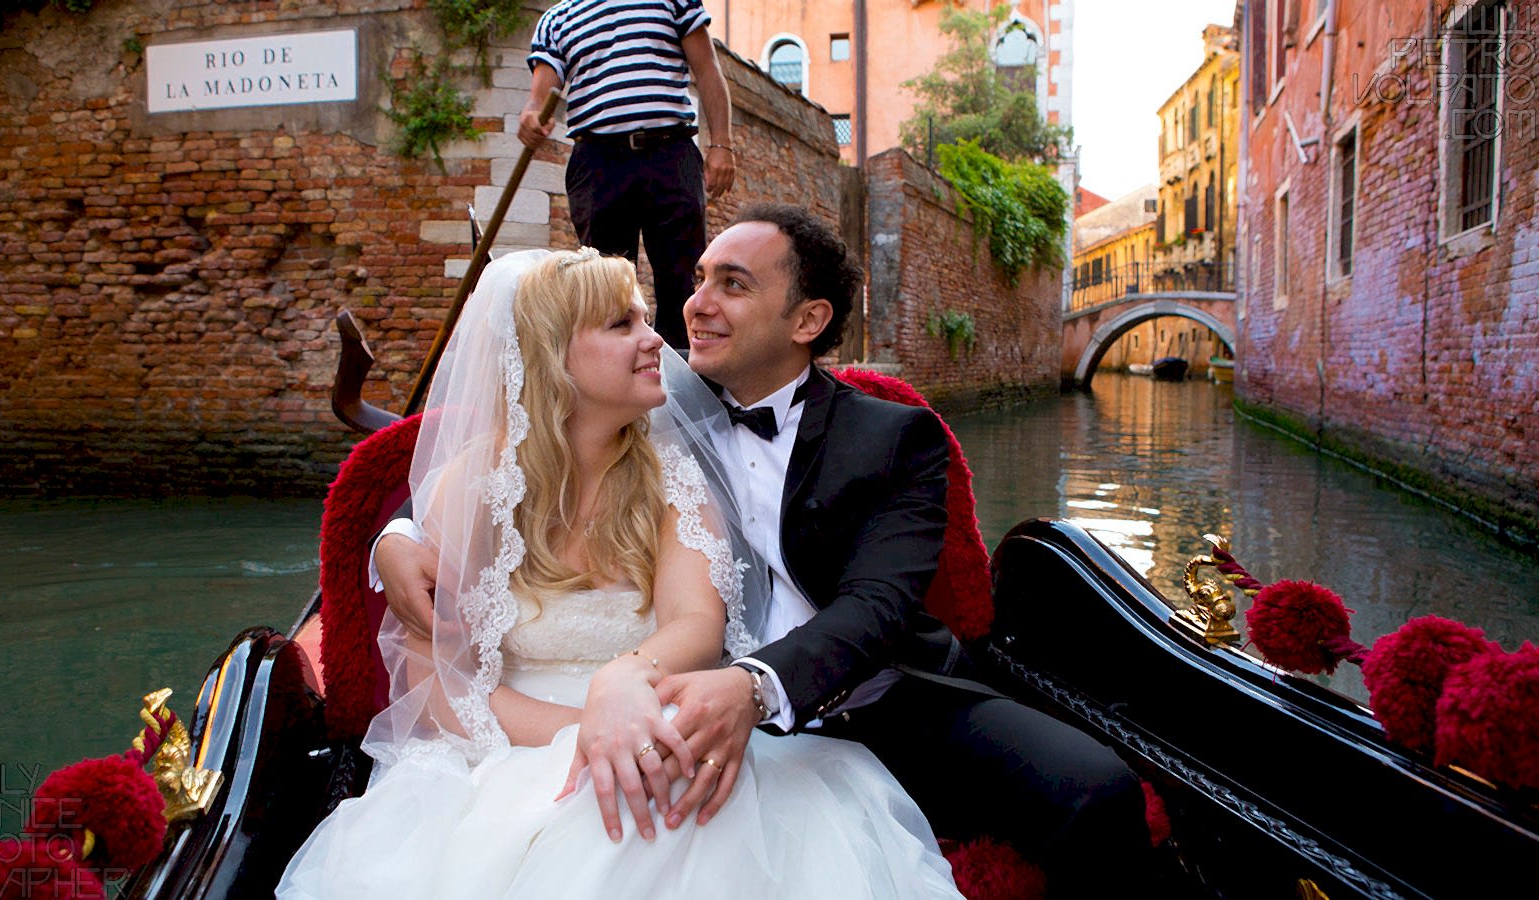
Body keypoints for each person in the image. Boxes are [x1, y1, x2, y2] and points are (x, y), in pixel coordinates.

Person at [376, 206, 1154, 898]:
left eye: (733, 285)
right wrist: (397, 536)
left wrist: (751, 688)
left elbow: (876, 609)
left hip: (867, 701)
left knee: (1096, 790)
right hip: (679, 709)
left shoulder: (894, 439)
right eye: (700, 277)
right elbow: (512, 441)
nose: (695, 305)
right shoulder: (655, 408)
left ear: (807, 319)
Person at [279, 248, 963, 898]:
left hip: (661, 721)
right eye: (621, 324)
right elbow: (442, 682)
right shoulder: (474, 483)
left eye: (644, 318)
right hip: (504, 750)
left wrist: (627, 694)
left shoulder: (673, 475)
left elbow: (697, 623)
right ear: (553, 358)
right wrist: (586, 733)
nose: (655, 341)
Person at [518, 0, 736, 350]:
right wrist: (531, 115)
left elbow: (708, 68)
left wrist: (721, 145)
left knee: (682, 281)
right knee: (606, 287)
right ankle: (618, 387)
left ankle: (687, 388)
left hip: (670, 153)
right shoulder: (556, 20)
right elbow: (537, 99)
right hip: (598, 164)